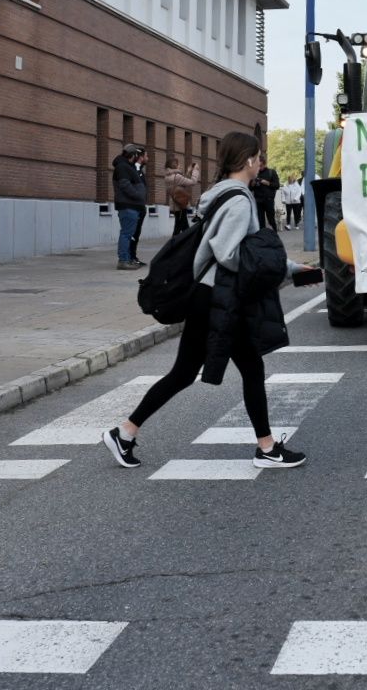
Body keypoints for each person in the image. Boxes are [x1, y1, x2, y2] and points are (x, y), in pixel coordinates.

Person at [103, 131, 320, 471]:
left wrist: (296, 270)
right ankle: (266, 448)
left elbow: (246, 254)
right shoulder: (239, 200)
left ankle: (125, 432)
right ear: (248, 160)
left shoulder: (222, 194)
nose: (261, 163)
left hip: (210, 294)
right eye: (259, 157)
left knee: (187, 372)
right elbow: (229, 252)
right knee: (248, 367)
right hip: (220, 296)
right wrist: (281, 269)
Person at [112, 144, 148, 270]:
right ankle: (123, 260)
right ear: (132, 156)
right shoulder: (122, 167)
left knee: (128, 234)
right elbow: (125, 185)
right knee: (126, 234)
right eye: (136, 155)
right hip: (128, 205)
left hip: (132, 205)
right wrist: (139, 195)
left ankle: (127, 259)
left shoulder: (127, 166)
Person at [165, 155, 200, 235]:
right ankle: (173, 246)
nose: (180, 166)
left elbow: (182, 183)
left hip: (175, 204)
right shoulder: (177, 177)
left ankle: (187, 245)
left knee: (184, 228)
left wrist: (188, 172)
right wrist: (195, 170)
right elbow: (192, 182)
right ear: (174, 165)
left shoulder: (168, 176)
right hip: (180, 205)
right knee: (178, 229)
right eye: (178, 164)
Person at [252, 155, 280, 231]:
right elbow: (250, 188)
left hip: (269, 200)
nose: (259, 168)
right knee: (260, 221)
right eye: (257, 166)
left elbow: (277, 185)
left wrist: (267, 183)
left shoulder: (271, 172)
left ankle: (275, 234)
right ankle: (263, 238)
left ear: (265, 164)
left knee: (271, 219)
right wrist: (253, 184)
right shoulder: (255, 173)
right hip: (258, 200)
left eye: (260, 166)